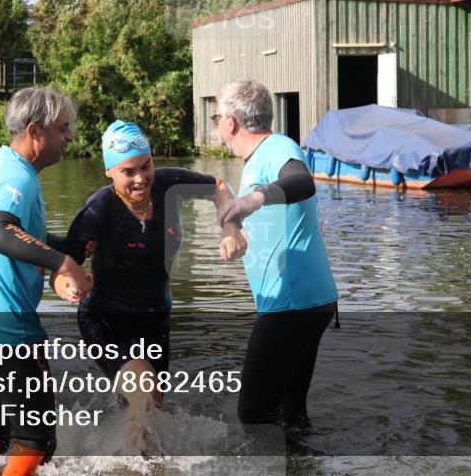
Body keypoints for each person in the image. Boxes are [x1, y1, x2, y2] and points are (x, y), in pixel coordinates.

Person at [57, 120, 246, 441]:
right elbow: (62, 271)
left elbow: (218, 186)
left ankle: (125, 460)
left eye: (146, 166)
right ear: (109, 172)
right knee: (144, 394)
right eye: (128, 172)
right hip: (107, 319)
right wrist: (70, 287)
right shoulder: (97, 210)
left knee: (150, 410)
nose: (141, 178)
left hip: (156, 320)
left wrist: (231, 227)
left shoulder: (169, 185)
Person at [0, 87, 93, 476]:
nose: (70, 137)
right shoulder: (20, 179)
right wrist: (63, 262)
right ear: (35, 131)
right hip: (6, 332)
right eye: (64, 128)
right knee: (35, 441)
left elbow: (17, 234)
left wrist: (72, 247)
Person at [211, 78, 338, 430]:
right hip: (306, 301)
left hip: (292, 306)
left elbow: (301, 181)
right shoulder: (259, 158)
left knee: (252, 413)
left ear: (231, 121)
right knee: (290, 411)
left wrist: (253, 199)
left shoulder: (278, 147)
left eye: (215, 116)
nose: (217, 124)